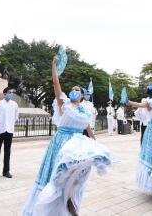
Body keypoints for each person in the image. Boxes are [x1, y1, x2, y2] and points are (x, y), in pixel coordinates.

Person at [22, 56, 112, 216]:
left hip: (77, 145)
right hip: (61, 142)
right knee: (57, 173)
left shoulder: (86, 110)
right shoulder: (64, 104)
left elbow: (88, 127)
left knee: (74, 176)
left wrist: (94, 142)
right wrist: (53, 66)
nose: (74, 91)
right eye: (73, 89)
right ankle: (48, 207)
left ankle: (69, 202)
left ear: (82, 95)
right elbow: (56, 83)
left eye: (77, 90)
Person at [0, 87, 19, 180]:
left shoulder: (15, 104)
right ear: (5, 94)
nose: (11, 94)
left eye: (12, 92)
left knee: (7, 152)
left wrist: (9, 124)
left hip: (9, 131)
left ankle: (6, 171)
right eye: (9, 92)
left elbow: (16, 117)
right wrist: (0, 124)